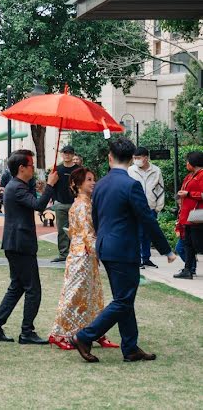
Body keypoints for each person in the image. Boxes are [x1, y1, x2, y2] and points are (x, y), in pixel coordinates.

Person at [70, 138, 176, 363]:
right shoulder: (131, 185)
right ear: (131, 160)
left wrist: (102, 242)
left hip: (106, 246)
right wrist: (167, 250)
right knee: (124, 300)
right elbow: (147, 219)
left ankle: (130, 347)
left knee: (123, 298)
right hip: (122, 248)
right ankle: (85, 336)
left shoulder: (101, 185)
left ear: (110, 157)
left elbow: (96, 218)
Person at [0, 149, 58, 346]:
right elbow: (39, 205)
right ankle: (27, 332)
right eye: (31, 165)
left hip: (16, 243)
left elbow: (34, 201)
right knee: (33, 289)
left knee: (17, 286)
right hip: (20, 244)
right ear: (22, 168)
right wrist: (50, 185)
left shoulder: (18, 185)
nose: (33, 169)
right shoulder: (16, 187)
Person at [48, 168, 119, 350]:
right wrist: (101, 251)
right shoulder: (82, 205)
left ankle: (96, 332)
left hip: (83, 253)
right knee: (74, 295)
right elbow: (87, 233)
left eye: (93, 179)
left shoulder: (84, 203)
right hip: (83, 255)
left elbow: (74, 231)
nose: (93, 182)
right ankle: (57, 333)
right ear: (78, 184)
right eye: (88, 180)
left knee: (93, 295)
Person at [128, 146, 166, 268]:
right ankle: (137, 259)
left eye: (138, 158)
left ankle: (146, 258)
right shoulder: (131, 170)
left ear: (146, 158)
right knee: (136, 234)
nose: (136, 160)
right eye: (134, 158)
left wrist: (158, 207)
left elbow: (160, 190)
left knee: (148, 234)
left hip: (151, 207)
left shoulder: (156, 171)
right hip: (135, 208)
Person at [174, 151, 203, 280]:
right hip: (188, 216)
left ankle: (189, 269)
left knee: (198, 244)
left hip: (197, 215)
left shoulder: (201, 176)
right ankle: (188, 270)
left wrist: (189, 194)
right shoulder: (190, 176)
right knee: (188, 244)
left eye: (188, 161)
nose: (186, 164)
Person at [50, 145, 79, 263]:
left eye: (69, 153)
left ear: (73, 155)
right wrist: (54, 200)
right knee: (62, 231)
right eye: (65, 153)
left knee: (75, 230)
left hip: (75, 204)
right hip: (60, 204)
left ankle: (74, 253)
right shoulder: (57, 169)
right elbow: (52, 185)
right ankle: (63, 254)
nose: (67, 155)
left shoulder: (78, 170)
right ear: (62, 154)